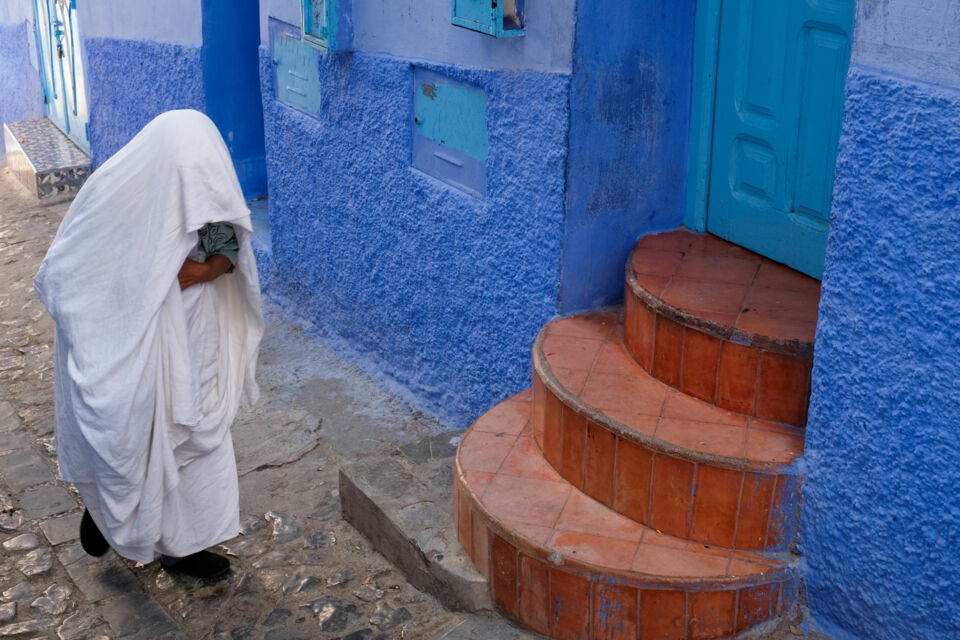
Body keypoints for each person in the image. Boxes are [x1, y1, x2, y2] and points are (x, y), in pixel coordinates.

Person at [34, 110, 264, 579]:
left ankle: (185, 546)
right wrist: (137, 282)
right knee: (130, 426)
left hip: (193, 333)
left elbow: (228, 247)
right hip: (134, 337)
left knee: (195, 432)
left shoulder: (201, 186)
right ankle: (111, 510)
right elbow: (66, 269)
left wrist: (202, 270)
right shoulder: (118, 190)